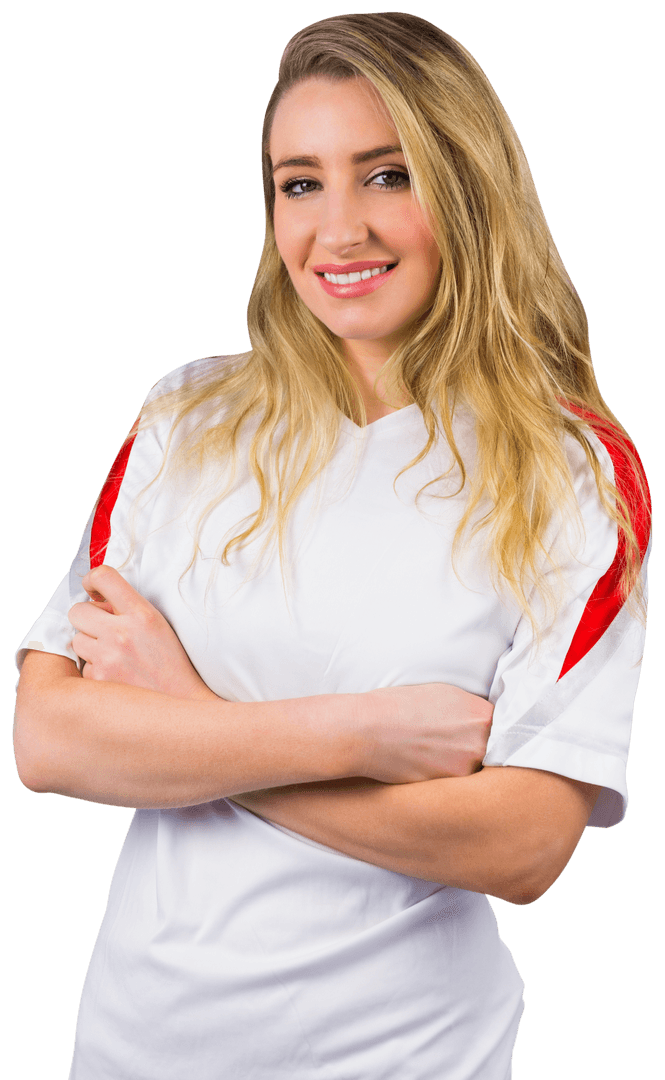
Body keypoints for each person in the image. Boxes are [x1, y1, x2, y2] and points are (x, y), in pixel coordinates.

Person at [13, 11, 651, 1080]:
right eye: (299, 182)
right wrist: (358, 735)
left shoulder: (571, 469)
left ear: (467, 187)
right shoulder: (185, 418)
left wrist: (193, 728)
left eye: (386, 175)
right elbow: (50, 741)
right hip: (136, 1046)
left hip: (403, 1057)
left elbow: (523, 845)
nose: (337, 230)